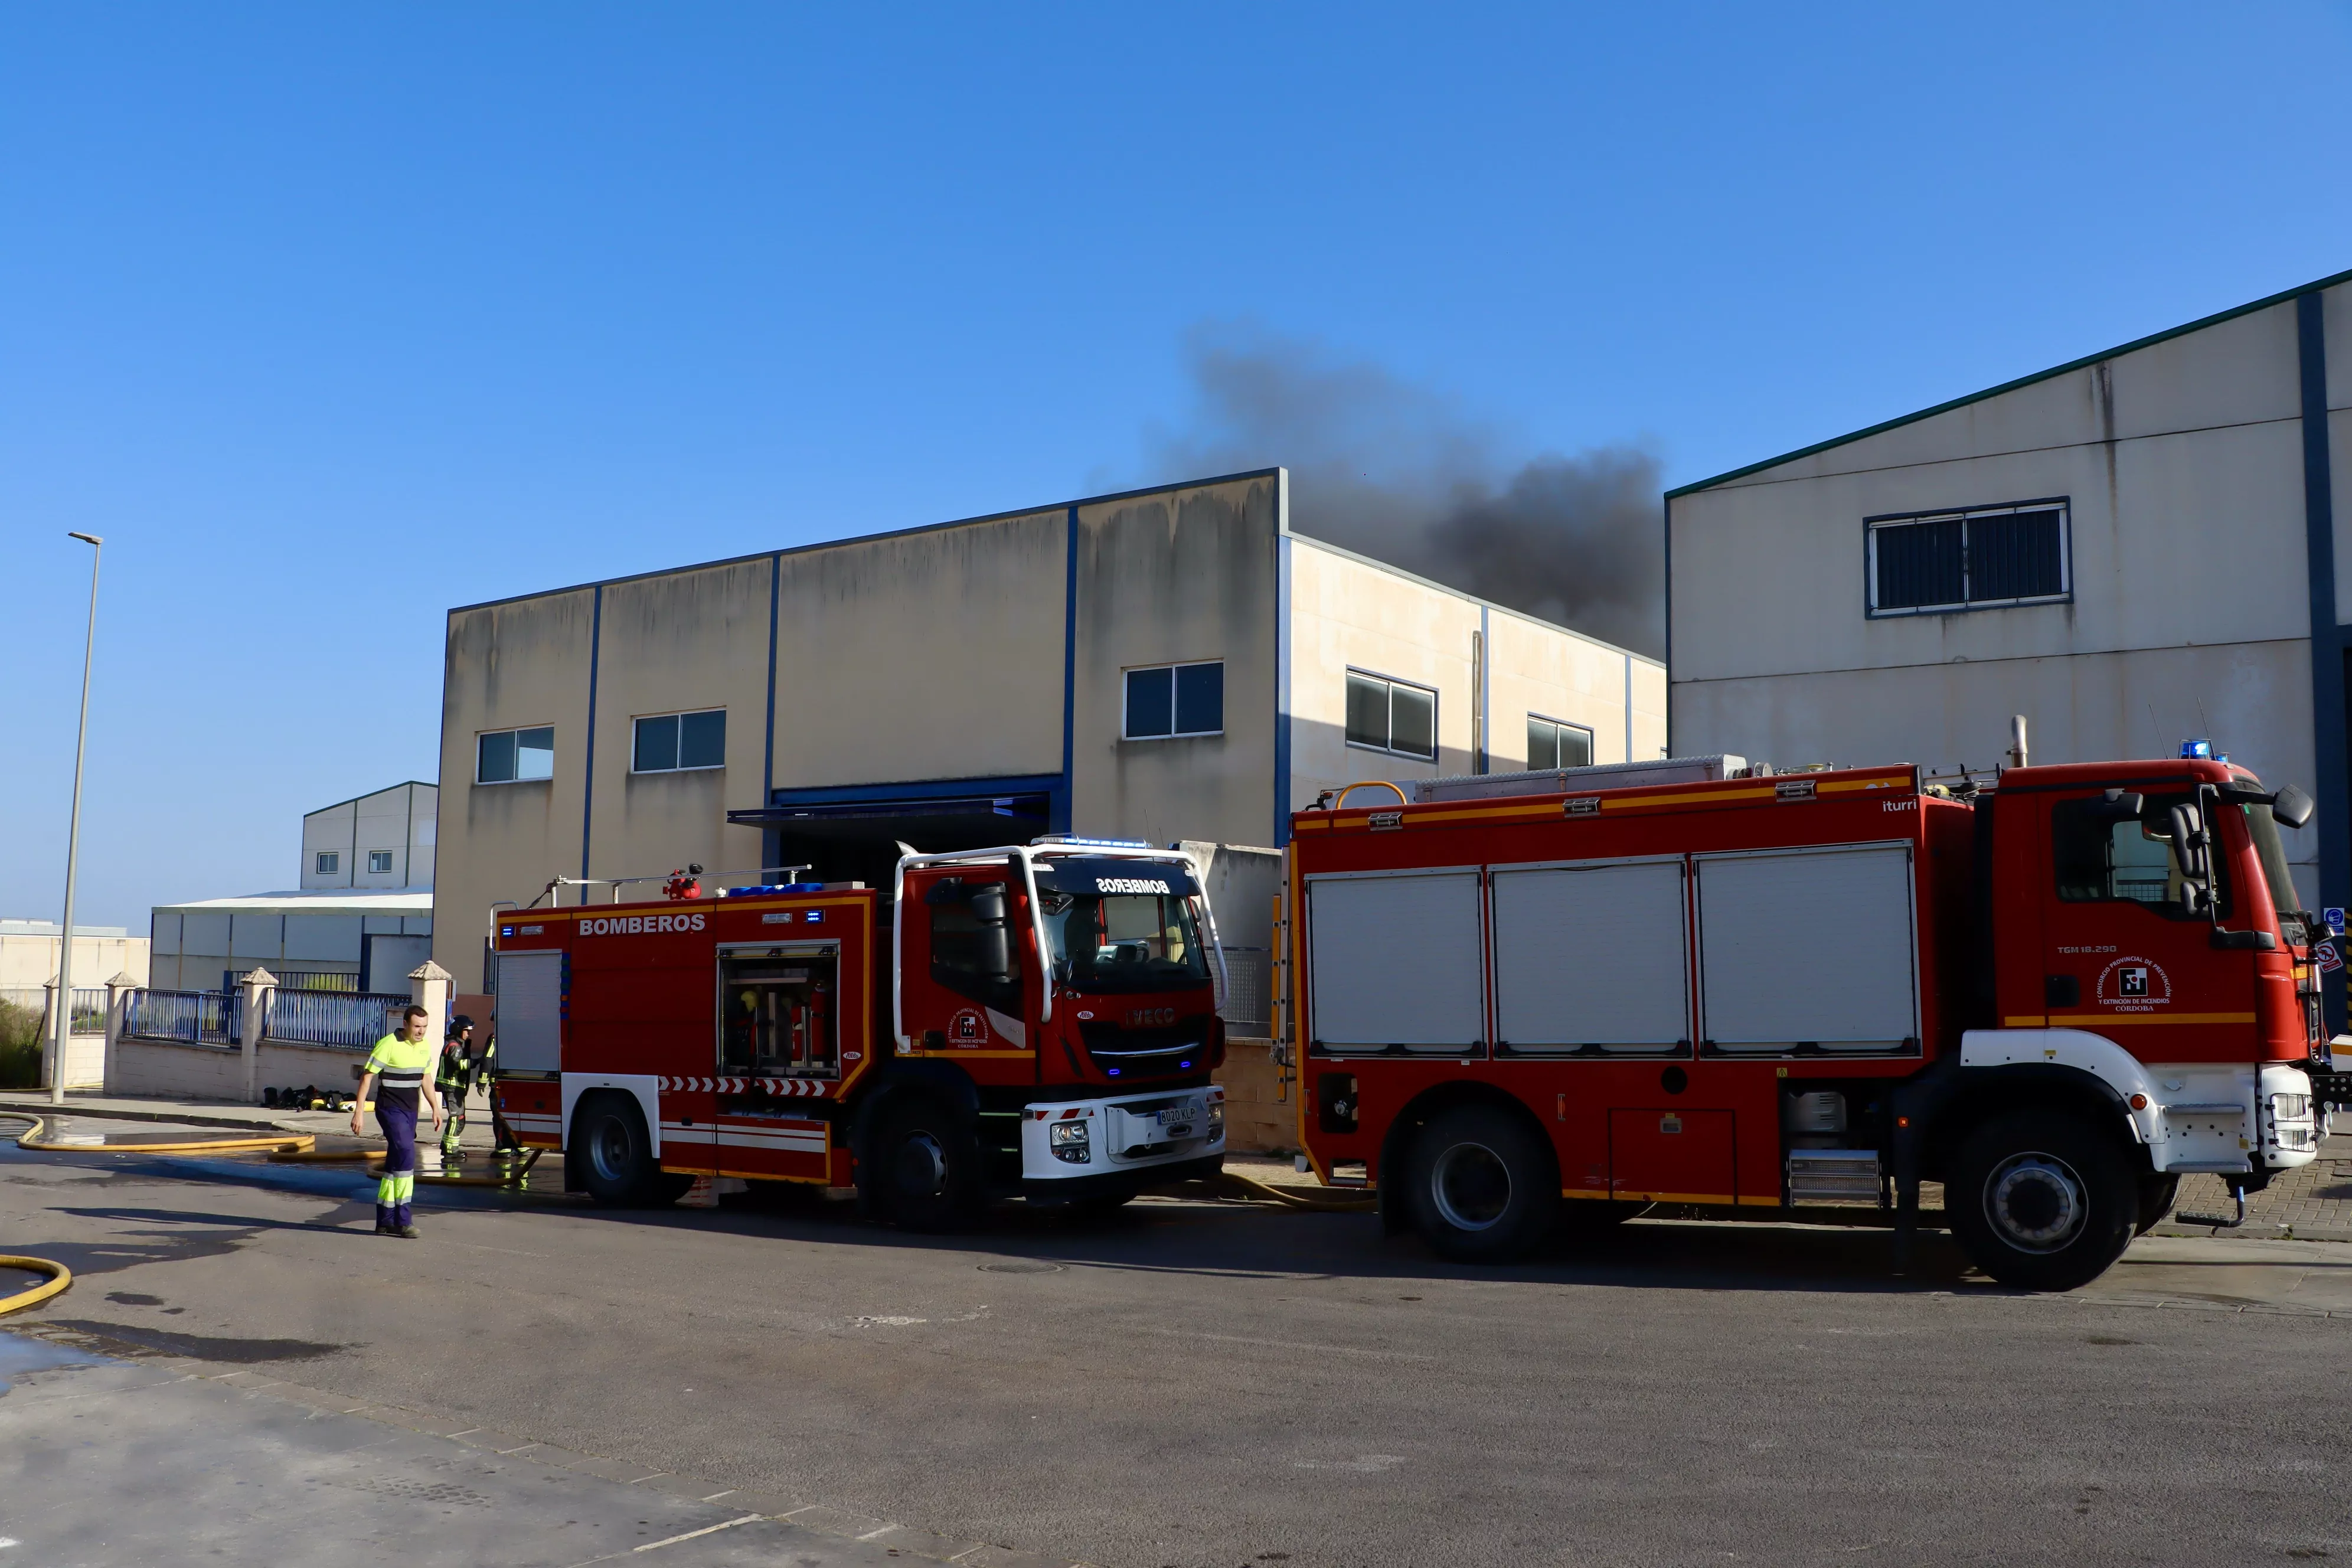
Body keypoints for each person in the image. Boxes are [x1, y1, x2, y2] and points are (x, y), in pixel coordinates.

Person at [352, 1004, 443, 1237]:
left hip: (410, 1111)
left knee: (395, 1164)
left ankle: (384, 1220)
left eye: (424, 1027)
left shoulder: (424, 1047)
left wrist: (435, 1108)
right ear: (405, 1024)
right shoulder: (388, 1044)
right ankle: (403, 1220)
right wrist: (359, 1112)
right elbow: (367, 1078)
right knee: (406, 1153)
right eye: (417, 1026)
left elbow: (426, 1079)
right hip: (389, 1109)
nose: (421, 1032)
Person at [436, 1014, 479, 1162]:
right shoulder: (454, 1046)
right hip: (452, 1087)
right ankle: (451, 1150)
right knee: (456, 1119)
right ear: (459, 1030)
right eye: (467, 1031)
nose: (468, 1034)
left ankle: (447, 1145)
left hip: (455, 1087)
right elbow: (459, 1065)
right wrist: (477, 1062)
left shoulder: (455, 1044)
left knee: (459, 1118)